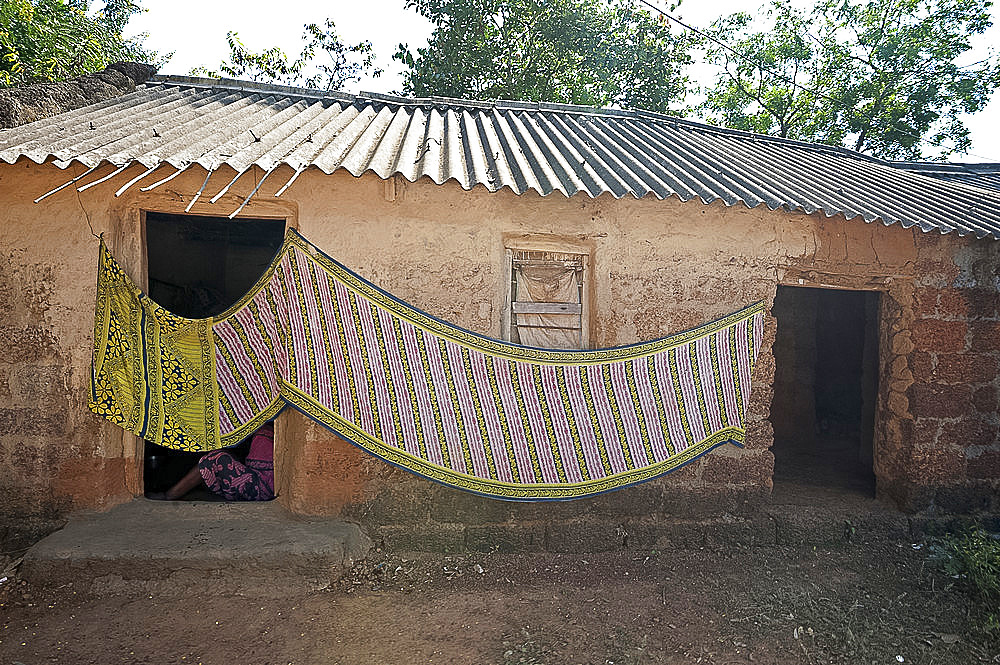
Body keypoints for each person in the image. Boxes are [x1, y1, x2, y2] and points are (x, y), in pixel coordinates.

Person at [160, 422, 275, 501]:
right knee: (222, 458)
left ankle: (171, 494)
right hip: (262, 482)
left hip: (262, 488)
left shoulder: (269, 430)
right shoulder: (264, 429)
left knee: (215, 459)